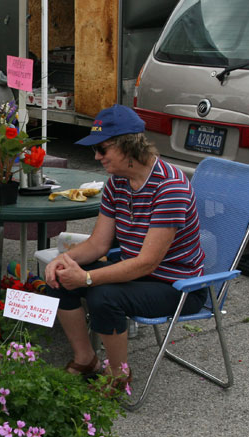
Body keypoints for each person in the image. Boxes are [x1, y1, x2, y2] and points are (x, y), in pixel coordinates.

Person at [44, 105, 207, 394]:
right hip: (139, 273)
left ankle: (119, 375)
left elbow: (147, 263)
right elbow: (98, 244)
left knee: (103, 295)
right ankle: (87, 360)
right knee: (60, 279)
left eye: (102, 149)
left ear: (128, 145)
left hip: (178, 285)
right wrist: (62, 260)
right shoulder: (118, 182)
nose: (97, 157)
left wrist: (88, 278)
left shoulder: (170, 188)